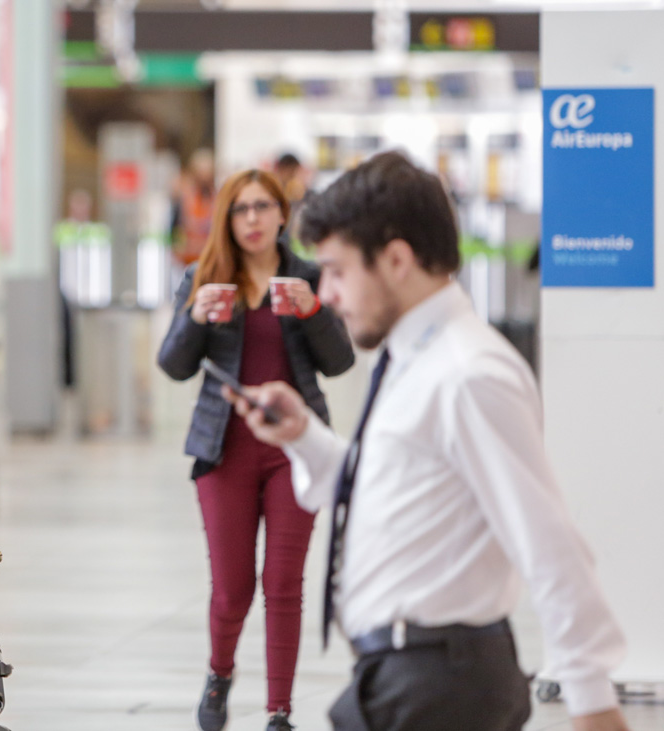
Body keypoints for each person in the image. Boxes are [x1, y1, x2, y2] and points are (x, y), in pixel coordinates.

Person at [227, 151, 630, 731]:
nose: (328, 293)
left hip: (440, 684)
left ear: (396, 259)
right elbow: (391, 488)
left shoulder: (468, 374)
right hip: (402, 679)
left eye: (337, 271)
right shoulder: (413, 358)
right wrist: (305, 437)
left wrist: (593, 705)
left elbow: (548, 544)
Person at [157, 170, 355, 731]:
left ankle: (279, 711)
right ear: (227, 218)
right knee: (233, 588)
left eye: (263, 206)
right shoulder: (204, 277)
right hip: (224, 451)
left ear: (282, 214)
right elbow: (173, 365)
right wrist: (195, 318)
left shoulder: (308, 277)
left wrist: (313, 312)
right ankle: (219, 672)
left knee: (284, 584)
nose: (252, 219)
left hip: (296, 449)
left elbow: (340, 361)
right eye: (241, 209)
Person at [173, 148, 217, 266]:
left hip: (211, 259)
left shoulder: (217, 199)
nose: (204, 179)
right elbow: (176, 227)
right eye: (201, 175)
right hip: (187, 261)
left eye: (207, 175)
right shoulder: (184, 199)